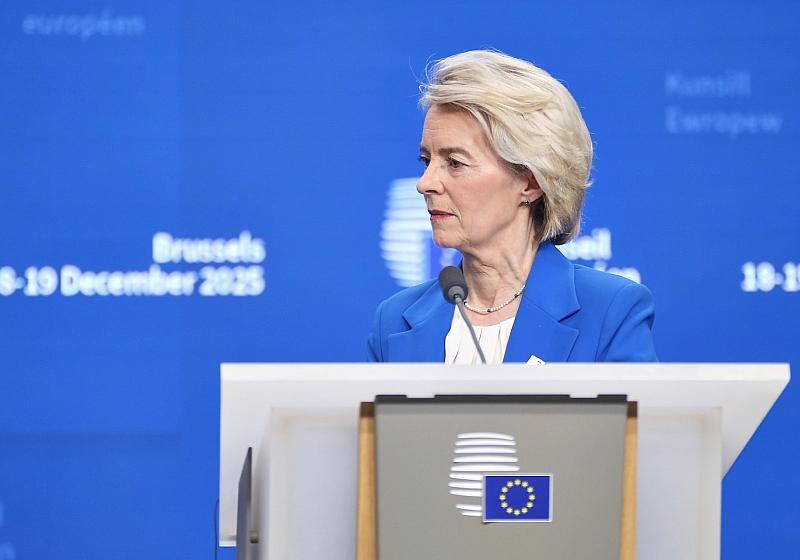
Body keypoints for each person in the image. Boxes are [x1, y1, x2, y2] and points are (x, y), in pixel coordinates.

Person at [368, 50, 656, 364]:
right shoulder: (394, 322)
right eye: (427, 160)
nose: (425, 183)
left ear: (530, 182)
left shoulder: (610, 313)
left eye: (455, 163)